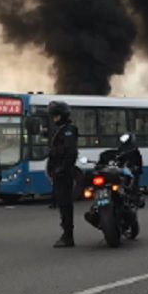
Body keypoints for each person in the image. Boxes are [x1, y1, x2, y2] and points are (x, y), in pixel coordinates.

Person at [46, 101, 79, 248]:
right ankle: (66, 234)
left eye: (57, 116)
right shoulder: (60, 130)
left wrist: (62, 168)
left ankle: (68, 236)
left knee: (65, 205)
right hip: (59, 172)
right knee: (62, 205)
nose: (54, 119)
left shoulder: (68, 131)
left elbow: (70, 153)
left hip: (64, 173)